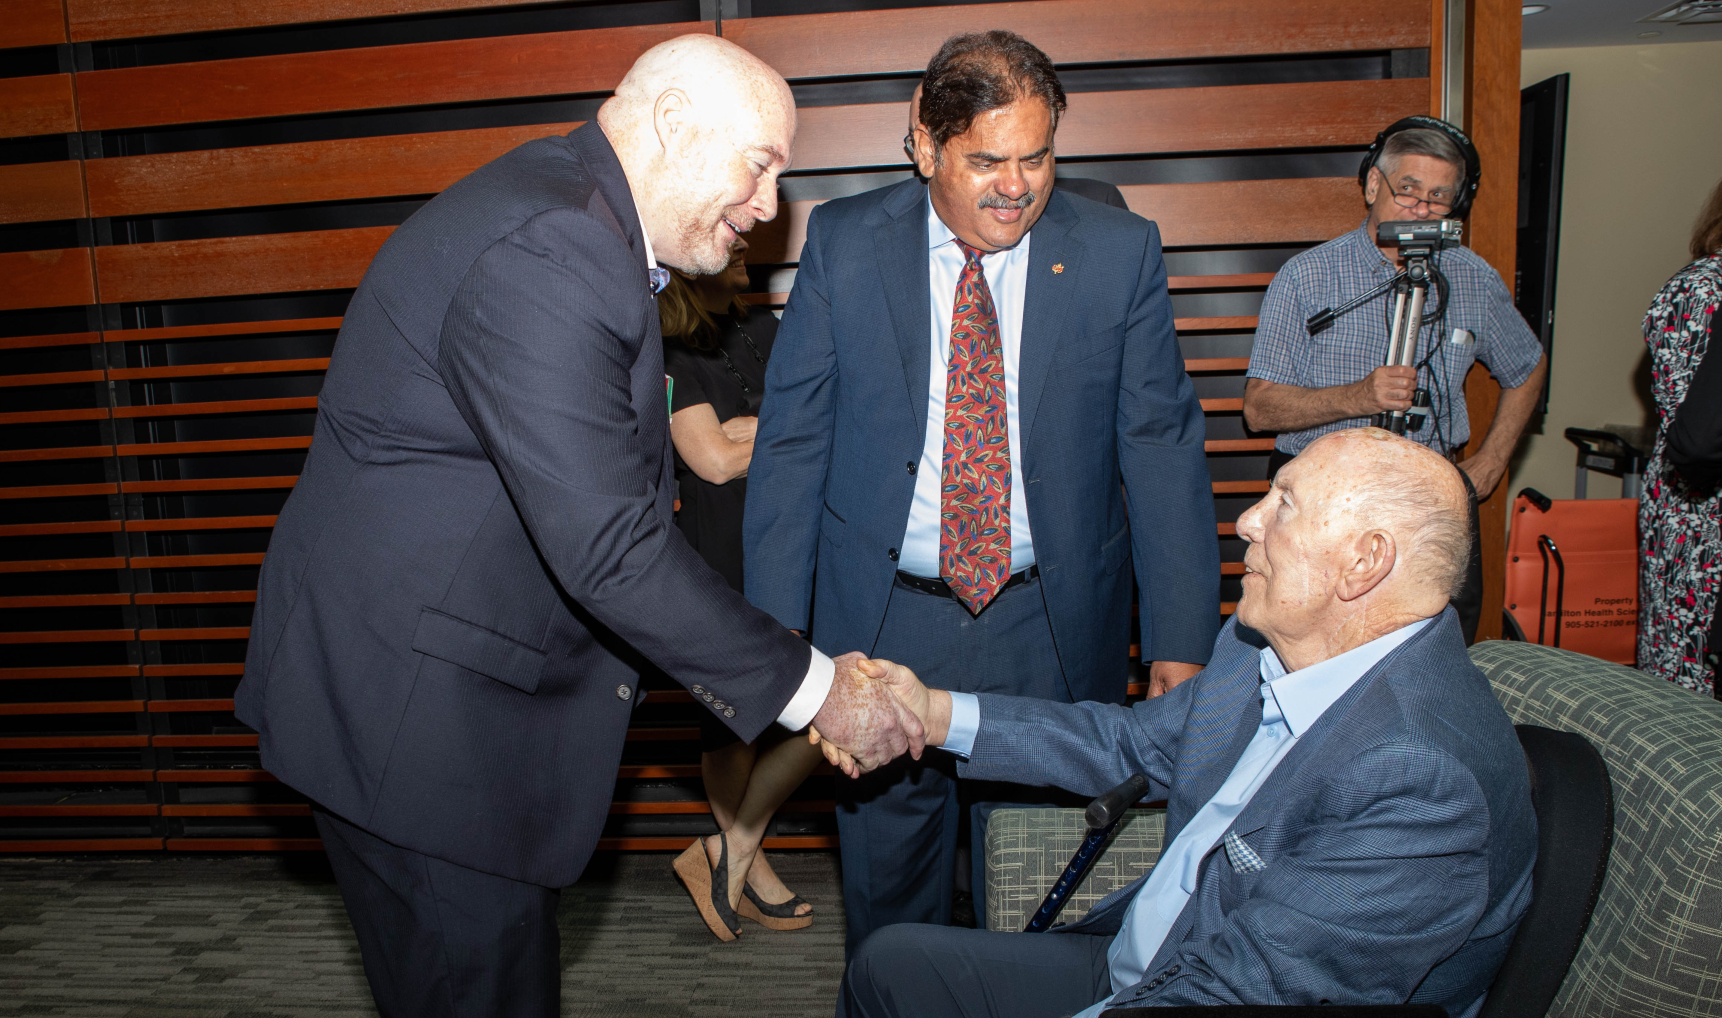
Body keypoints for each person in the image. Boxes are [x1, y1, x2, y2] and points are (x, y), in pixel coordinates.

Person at [233, 35, 925, 1018]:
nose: (770, 206)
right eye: (761, 163)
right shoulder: (554, 245)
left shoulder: (570, 212)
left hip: (423, 704)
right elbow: (610, 547)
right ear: (674, 123)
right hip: (419, 736)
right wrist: (822, 695)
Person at [745, 30, 1221, 949]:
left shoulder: (1118, 252)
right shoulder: (845, 244)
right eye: (987, 161)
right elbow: (794, 444)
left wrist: (1178, 640)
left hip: (1047, 630)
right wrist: (776, 640)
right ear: (923, 143)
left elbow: (1160, 448)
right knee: (890, 911)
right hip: (884, 630)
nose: (1017, 186)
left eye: (1037, 158)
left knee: (1039, 904)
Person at [829, 428, 1537, 1018]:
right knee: (886, 967)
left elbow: (1253, 989)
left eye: (1284, 503)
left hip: (1204, 990)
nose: (1249, 520)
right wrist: (932, 712)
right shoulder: (1257, 644)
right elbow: (1130, 744)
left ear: (1364, 562)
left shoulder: (1422, 780)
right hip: (1150, 961)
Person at [1243, 117, 1548, 644]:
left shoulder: (1472, 277)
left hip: (1428, 498)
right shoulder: (1308, 276)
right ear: (1371, 185)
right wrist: (1358, 397)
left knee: (1437, 650)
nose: (1421, 209)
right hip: (1321, 502)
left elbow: (1528, 366)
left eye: (1439, 197)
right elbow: (1260, 409)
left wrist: (1494, 460)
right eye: (1408, 191)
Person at [657, 237, 823, 935]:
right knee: (731, 725)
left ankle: (728, 850)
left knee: (828, 706)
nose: (744, 240)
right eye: (727, 237)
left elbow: (828, 416)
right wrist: (782, 431)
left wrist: (765, 429)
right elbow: (715, 460)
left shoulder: (767, 326)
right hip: (719, 559)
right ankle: (747, 865)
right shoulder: (665, 350)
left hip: (791, 544)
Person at [1638, 176, 1722, 696]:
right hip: (1696, 509)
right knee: (1684, 675)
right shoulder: (1703, 287)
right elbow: (1696, 426)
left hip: (1696, 497)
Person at [906, 80, 1130, 211]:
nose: (1014, 187)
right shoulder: (882, 225)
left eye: (1032, 160)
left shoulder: (1097, 205)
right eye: (915, 142)